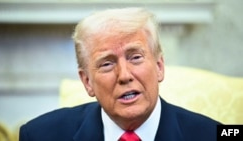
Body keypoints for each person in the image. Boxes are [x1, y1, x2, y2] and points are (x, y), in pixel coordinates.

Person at [19, 7, 221, 141]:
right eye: (107, 64)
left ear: (159, 66)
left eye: (135, 57)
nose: (124, 75)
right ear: (87, 81)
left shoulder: (214, 135)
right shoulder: (39, 135)